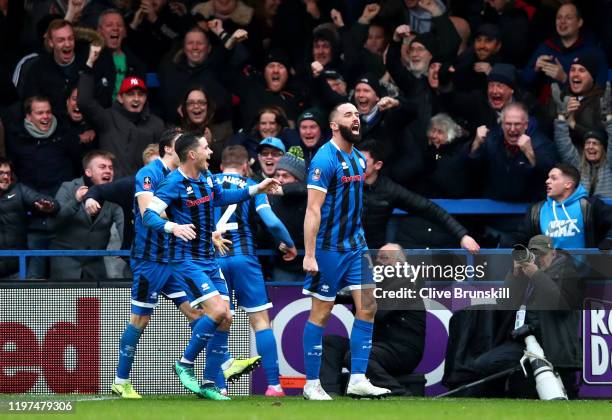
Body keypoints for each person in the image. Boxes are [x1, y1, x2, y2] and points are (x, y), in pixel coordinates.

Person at [142, 132, 279, 400]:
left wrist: (256, 189)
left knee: (226, 317)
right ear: (192, 154)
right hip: (186, 261)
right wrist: (173, 226)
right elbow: (148, 215)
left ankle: (208, 383)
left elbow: (221, 197)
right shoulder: (173, 182)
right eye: (206, 148)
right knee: (217, 311)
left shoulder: (205, 178)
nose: (210, 153)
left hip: (208, 259)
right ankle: (183, 363)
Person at [301, 102, 390, 400]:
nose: (356, 118)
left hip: (356, 246)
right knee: (321, 313)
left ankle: (358, 379)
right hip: (328, 249)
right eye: (349, 114)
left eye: (357, 114)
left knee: (368, 307)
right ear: (334, 124)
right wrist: (309, 254)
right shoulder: (323, 160)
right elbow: (313, 210)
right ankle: (311, 384)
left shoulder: (359, 160)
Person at [445, 234, 582, 398]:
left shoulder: (567, 272)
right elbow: (504, 304)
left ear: (553, 253)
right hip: (525, 341)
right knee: (484, 364)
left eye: (542, 254)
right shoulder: (528, 272)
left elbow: (560, 306)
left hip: (553, 343)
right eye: (534, 255)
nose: (539, 259)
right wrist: (515, 275)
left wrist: (537, 275)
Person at [213, 145, 297, 397]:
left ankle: (219, 386)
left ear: (220, 166)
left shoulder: (206, 183)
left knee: (218, 322)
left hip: (213, 260)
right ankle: (274, 385)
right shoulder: (253, 185)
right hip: (244, 259)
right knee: (261, 322)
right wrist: (290, 244)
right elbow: (270, 221)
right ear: (246, 166)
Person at [320, 243, 425, 396]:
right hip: (376, 346)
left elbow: (378, 313)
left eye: (384, 258)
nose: (378, 262)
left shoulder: (407, 284)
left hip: (403, 350)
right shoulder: (376, 284)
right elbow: (352, 298)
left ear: (400, 264)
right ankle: (329, 392)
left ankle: (397, 393)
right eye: (377, 258)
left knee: (355, 355)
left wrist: (356, 292)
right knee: (330, 343)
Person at [359, 139, 480, 252]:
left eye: (362, 161)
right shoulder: (342, 183)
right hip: (343, 253)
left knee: (392, 252)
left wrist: (462, 236)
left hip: (371, 254)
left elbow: (429, 209)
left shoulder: (389, 189)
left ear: (378, 165)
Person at [78, 43, 164, 178]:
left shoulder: (156, 124)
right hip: (113, 189)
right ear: (120, 97)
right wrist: (89, 65)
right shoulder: (107, 119)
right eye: (130, 94)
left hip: (146, 190)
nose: (136, 99)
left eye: (140, 94)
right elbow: (84, 102)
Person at [50, 150, 123, 280]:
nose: (108, 171)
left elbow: (123, 224)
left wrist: (130, 248)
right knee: (66, 301)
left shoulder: (115, 193)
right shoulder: (68, 188)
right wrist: (76, 201)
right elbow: (55, 222)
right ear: (88, 172)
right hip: (65, 264)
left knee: (92, 301)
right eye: (102, 167)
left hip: (95, 265)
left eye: (110, 168)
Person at [518, 163, 612, 250]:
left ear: (568, 184)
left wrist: (609, 239)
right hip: (548, 268)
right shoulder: (536, 210)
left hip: (584, 267)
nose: (547, 181)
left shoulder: (590, 206)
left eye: (553, 178)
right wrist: (504, 240)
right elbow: (521, 237)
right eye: (548, 178)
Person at [0, 157, 58, 279]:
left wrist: (49, 206)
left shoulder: (19, 190)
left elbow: (50, 203)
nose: (5, 177)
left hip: (16, 266)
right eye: (1, 173)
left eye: (8, 173)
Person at [267, 152, 308, 282]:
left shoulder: (310, 198)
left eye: (285, 176)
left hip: (310, 264)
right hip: (284, 266)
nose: (279, 180)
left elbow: (306, 187)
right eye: (277, 175)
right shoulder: (272, 198)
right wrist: (277, 243)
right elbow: (265, 229)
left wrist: (284, 190)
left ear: (297, 179)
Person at [554, 115, 611, 199]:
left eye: (595, 143)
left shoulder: (609, 165)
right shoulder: (577, 164)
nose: (590, 147)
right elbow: (563, 143)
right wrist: (562, 115)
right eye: (587, 143)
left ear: (603, 148)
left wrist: (609, 119)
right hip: (583, 209)